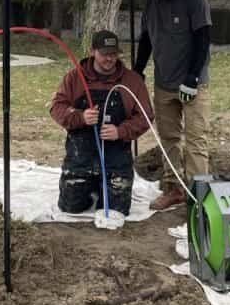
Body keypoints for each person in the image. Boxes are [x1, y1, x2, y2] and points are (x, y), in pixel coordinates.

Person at [133, 0, 212, 211]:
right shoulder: (151, 2)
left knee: (196, 139)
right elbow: (146, 38)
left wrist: (193, 76)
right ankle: (173, 188)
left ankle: (199, 197)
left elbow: (203, 39)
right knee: (168, 138)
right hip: (164, 84)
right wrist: (138, 69)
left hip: (192, 85)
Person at [49, 29, 153, 216]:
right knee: (70, 208)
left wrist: (120, 131)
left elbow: (145, 116)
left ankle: (104, 187)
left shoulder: (132, 81)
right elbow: (56, 107)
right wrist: (80, 117)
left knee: (117, 211)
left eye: (113, 54)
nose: (109, 59)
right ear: (92, 51)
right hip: (80, 158)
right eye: (104, 54)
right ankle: (91, 187)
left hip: (116, 160)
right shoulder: (74, 78)